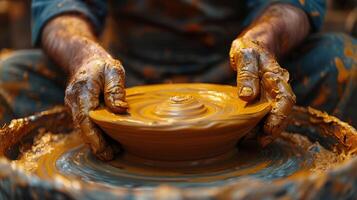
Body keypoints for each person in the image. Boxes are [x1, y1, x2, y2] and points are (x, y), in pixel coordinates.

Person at [0, 0, 355, 160]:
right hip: (121, 80)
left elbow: (290, 2)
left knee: (343, 62)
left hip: (243, 80)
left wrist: (262, 40)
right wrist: (84, 57)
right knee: (8, 80)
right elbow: (61, 7)